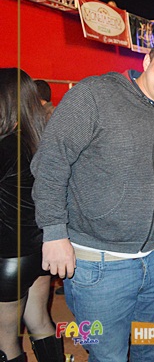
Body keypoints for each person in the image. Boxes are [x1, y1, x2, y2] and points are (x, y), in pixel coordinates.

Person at [31, 39, 154, 362]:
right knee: (107, 355)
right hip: (98, 265)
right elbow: (50, 163)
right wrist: (54, 232)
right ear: (146, 61)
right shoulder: (95, 95)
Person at [0, 68, 63, 362]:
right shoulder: (40, 140)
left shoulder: (6, 145)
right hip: (39, 249)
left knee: (5, 340)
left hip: (10, 256)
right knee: (39, 321)